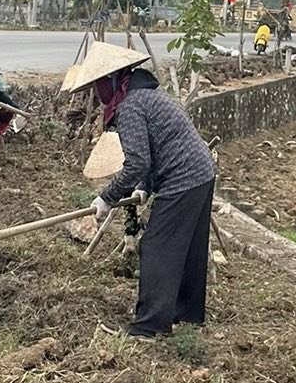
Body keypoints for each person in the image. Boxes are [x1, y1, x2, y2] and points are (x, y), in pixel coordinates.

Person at [62, 42, 217, 338]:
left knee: (157, 246)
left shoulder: (131, 105)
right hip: (201, 171)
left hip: (183, 177)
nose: (97, 93)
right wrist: (145, 187)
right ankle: (185, 312)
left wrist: (107, 197)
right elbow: (155, 148)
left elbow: (137, 162)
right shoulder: (147, 94)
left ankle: (150, 325)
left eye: (98, 85)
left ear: (111, 81)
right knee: (188, 246)